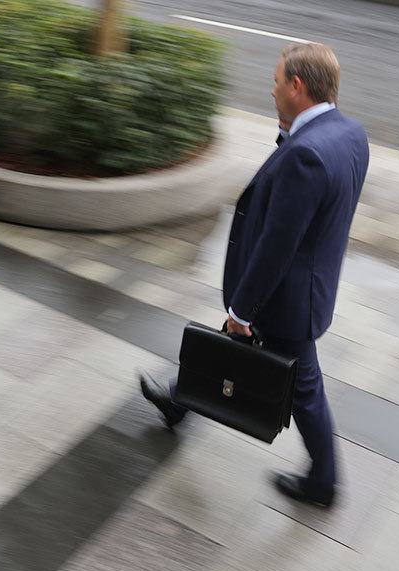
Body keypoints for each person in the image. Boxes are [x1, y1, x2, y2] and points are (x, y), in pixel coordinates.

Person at [139, 43, 369, 508]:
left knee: (300, 385)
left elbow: (277, 245)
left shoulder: (307, 154)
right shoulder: (349, 134)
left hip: (286, 297)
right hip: (312, 286)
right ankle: (179, 400)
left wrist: (243, 309)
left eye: (277, 81)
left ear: (297, 86)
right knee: (237, 348)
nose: (272, 89)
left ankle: (323, 482)